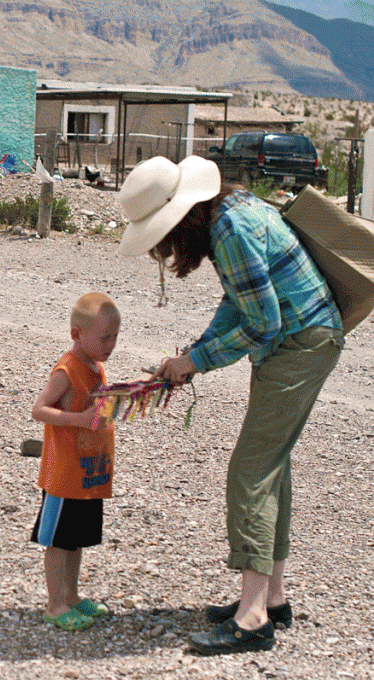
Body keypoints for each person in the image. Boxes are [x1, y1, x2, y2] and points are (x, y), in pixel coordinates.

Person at [117, 156, 343, 655]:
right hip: (303, 338)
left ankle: (253, 618)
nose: (164, 248)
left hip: (300, 344)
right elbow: (238, 301)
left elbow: (263, 322)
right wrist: (192, 353)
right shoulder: (231, 210)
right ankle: (273, 598)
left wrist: (195, 362)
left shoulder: (231, 229)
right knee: (271, 469)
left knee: (251, 472)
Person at [29, 292, 120, 631]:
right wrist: (81, 420)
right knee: (58, 539)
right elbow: (39, 410)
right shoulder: (67, 370)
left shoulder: (97, 367)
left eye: (115, 337)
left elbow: (97, 411)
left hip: (88, 473)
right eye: (104, 337)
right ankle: (54, 604)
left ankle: (70, 594)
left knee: (78, 538)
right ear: (76, 334)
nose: (110, 344)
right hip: (64, 476)